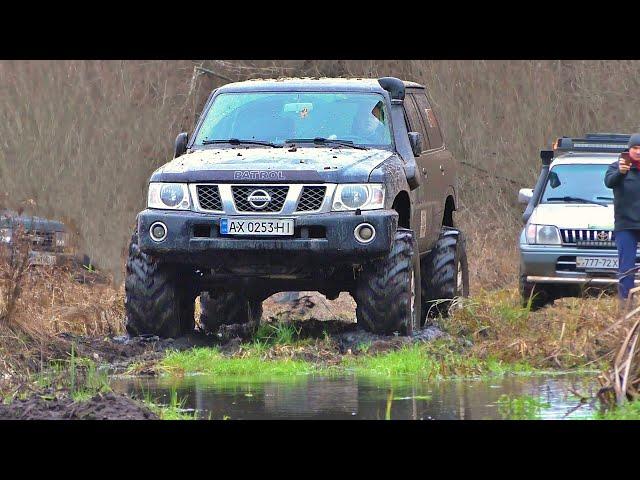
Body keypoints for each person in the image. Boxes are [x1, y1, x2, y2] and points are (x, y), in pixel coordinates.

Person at [604, 134, 640, 301]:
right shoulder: (617, 167)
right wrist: (621, 172)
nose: (638, 152)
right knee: (626, 268)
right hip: (626, 225)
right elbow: (609, 182)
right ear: (629, 149)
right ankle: (626, 305)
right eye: (635, 148)